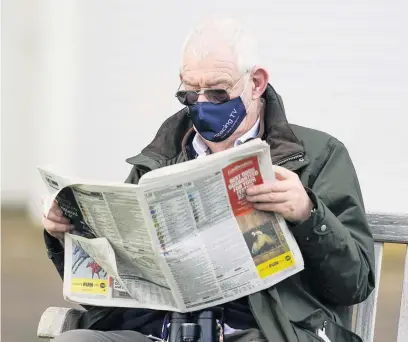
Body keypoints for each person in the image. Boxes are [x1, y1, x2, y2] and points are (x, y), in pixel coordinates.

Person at [43, 17, 375, 342]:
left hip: (263, 332)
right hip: (156, 331)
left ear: (256, 82)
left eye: (217, 93)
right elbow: (107, 293)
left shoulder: (318, 155)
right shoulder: (156, 162)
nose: (202, 104)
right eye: (190, 93)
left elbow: (355, 282)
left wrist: (308, 214)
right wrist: (68, 236)